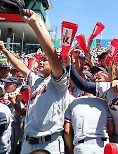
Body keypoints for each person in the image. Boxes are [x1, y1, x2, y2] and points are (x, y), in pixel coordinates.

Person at [0, 9, 74, 154]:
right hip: (28, 141)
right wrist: (5, 51)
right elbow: (20, 66)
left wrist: (35, 24)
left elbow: (51, 54)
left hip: (50, 142)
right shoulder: (35, 79)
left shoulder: (59, 81)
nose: (40, 61)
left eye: (44, 60)